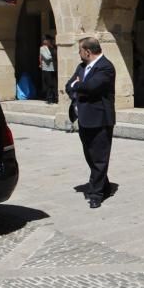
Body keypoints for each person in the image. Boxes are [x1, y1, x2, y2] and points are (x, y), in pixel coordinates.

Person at [65, 37, 116, 210]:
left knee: (100, 158)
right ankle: (105, 186)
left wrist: (78, 86)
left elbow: (92, 87)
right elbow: (68, 86)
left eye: (80, 50)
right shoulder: (81, 67)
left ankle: (96, 194)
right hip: (84, 119)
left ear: (87, 51)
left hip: (100, 119)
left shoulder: (106, 67)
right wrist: (78, 87)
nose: (79, 54)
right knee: (90, 156)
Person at [39, 35, 57, 104]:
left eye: (50, 40)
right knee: (49, 84)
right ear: (45, 41)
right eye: (48, 40)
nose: (50, 41)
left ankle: (55, 98)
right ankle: (49, 99)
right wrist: (53, 56)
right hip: (47, 69)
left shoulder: (53, 47)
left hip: (54, 68)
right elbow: (47, 57)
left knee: (54, 84)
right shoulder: (43, 48)